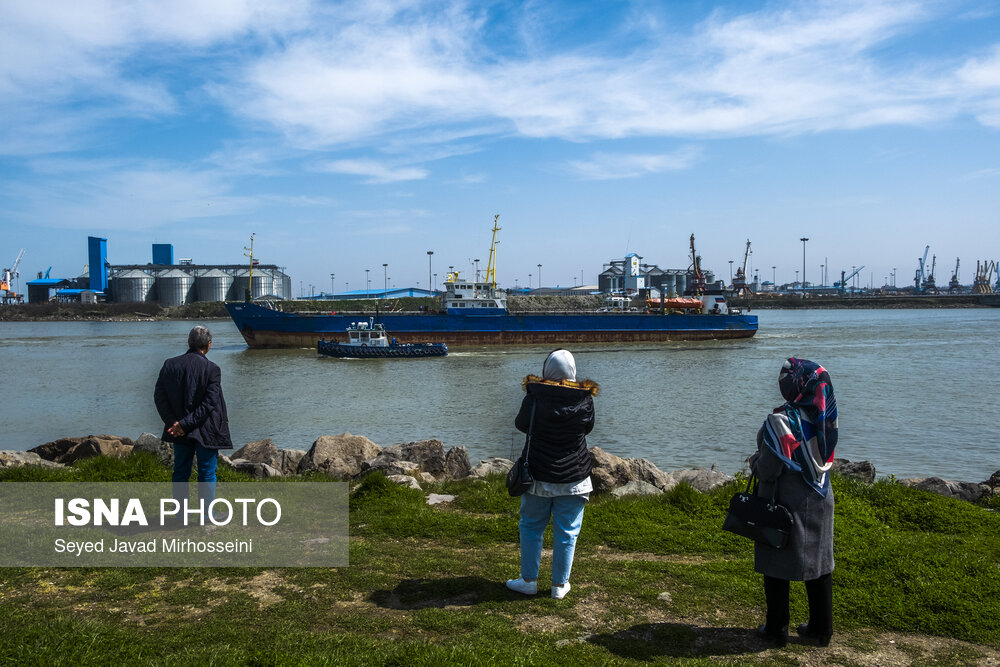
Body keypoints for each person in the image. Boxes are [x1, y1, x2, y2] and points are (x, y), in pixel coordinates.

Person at [750, 357, 838, 647]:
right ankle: (821, 629)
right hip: (821, 496)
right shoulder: (825, 417)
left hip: (786, 502)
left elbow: (768, 470)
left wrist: (755, 461)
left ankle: (776, 629)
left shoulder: (781, 421)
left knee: (776, 565)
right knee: (820, 565)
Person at [506, 349, 598, 600]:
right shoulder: (585, 400)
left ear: (547, 370)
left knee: (531, 526)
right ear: (573, 372)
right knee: (567, 531)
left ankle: (528, 580)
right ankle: (559, 585)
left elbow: (521, 425)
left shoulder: (534, 397)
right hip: (574, 476)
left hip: (537, 473)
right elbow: (587, 428)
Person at [154, 325, 233, 522]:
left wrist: (174, 423)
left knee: (181, 470)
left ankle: (180, 514)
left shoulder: (169, 365)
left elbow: (159, 397)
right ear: (208, 345)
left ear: (189, 343)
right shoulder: (212, 369)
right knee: (207, 472)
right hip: (206, 428)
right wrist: (185, 424)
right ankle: (207, 516)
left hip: (179, 429)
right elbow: (209, 403)